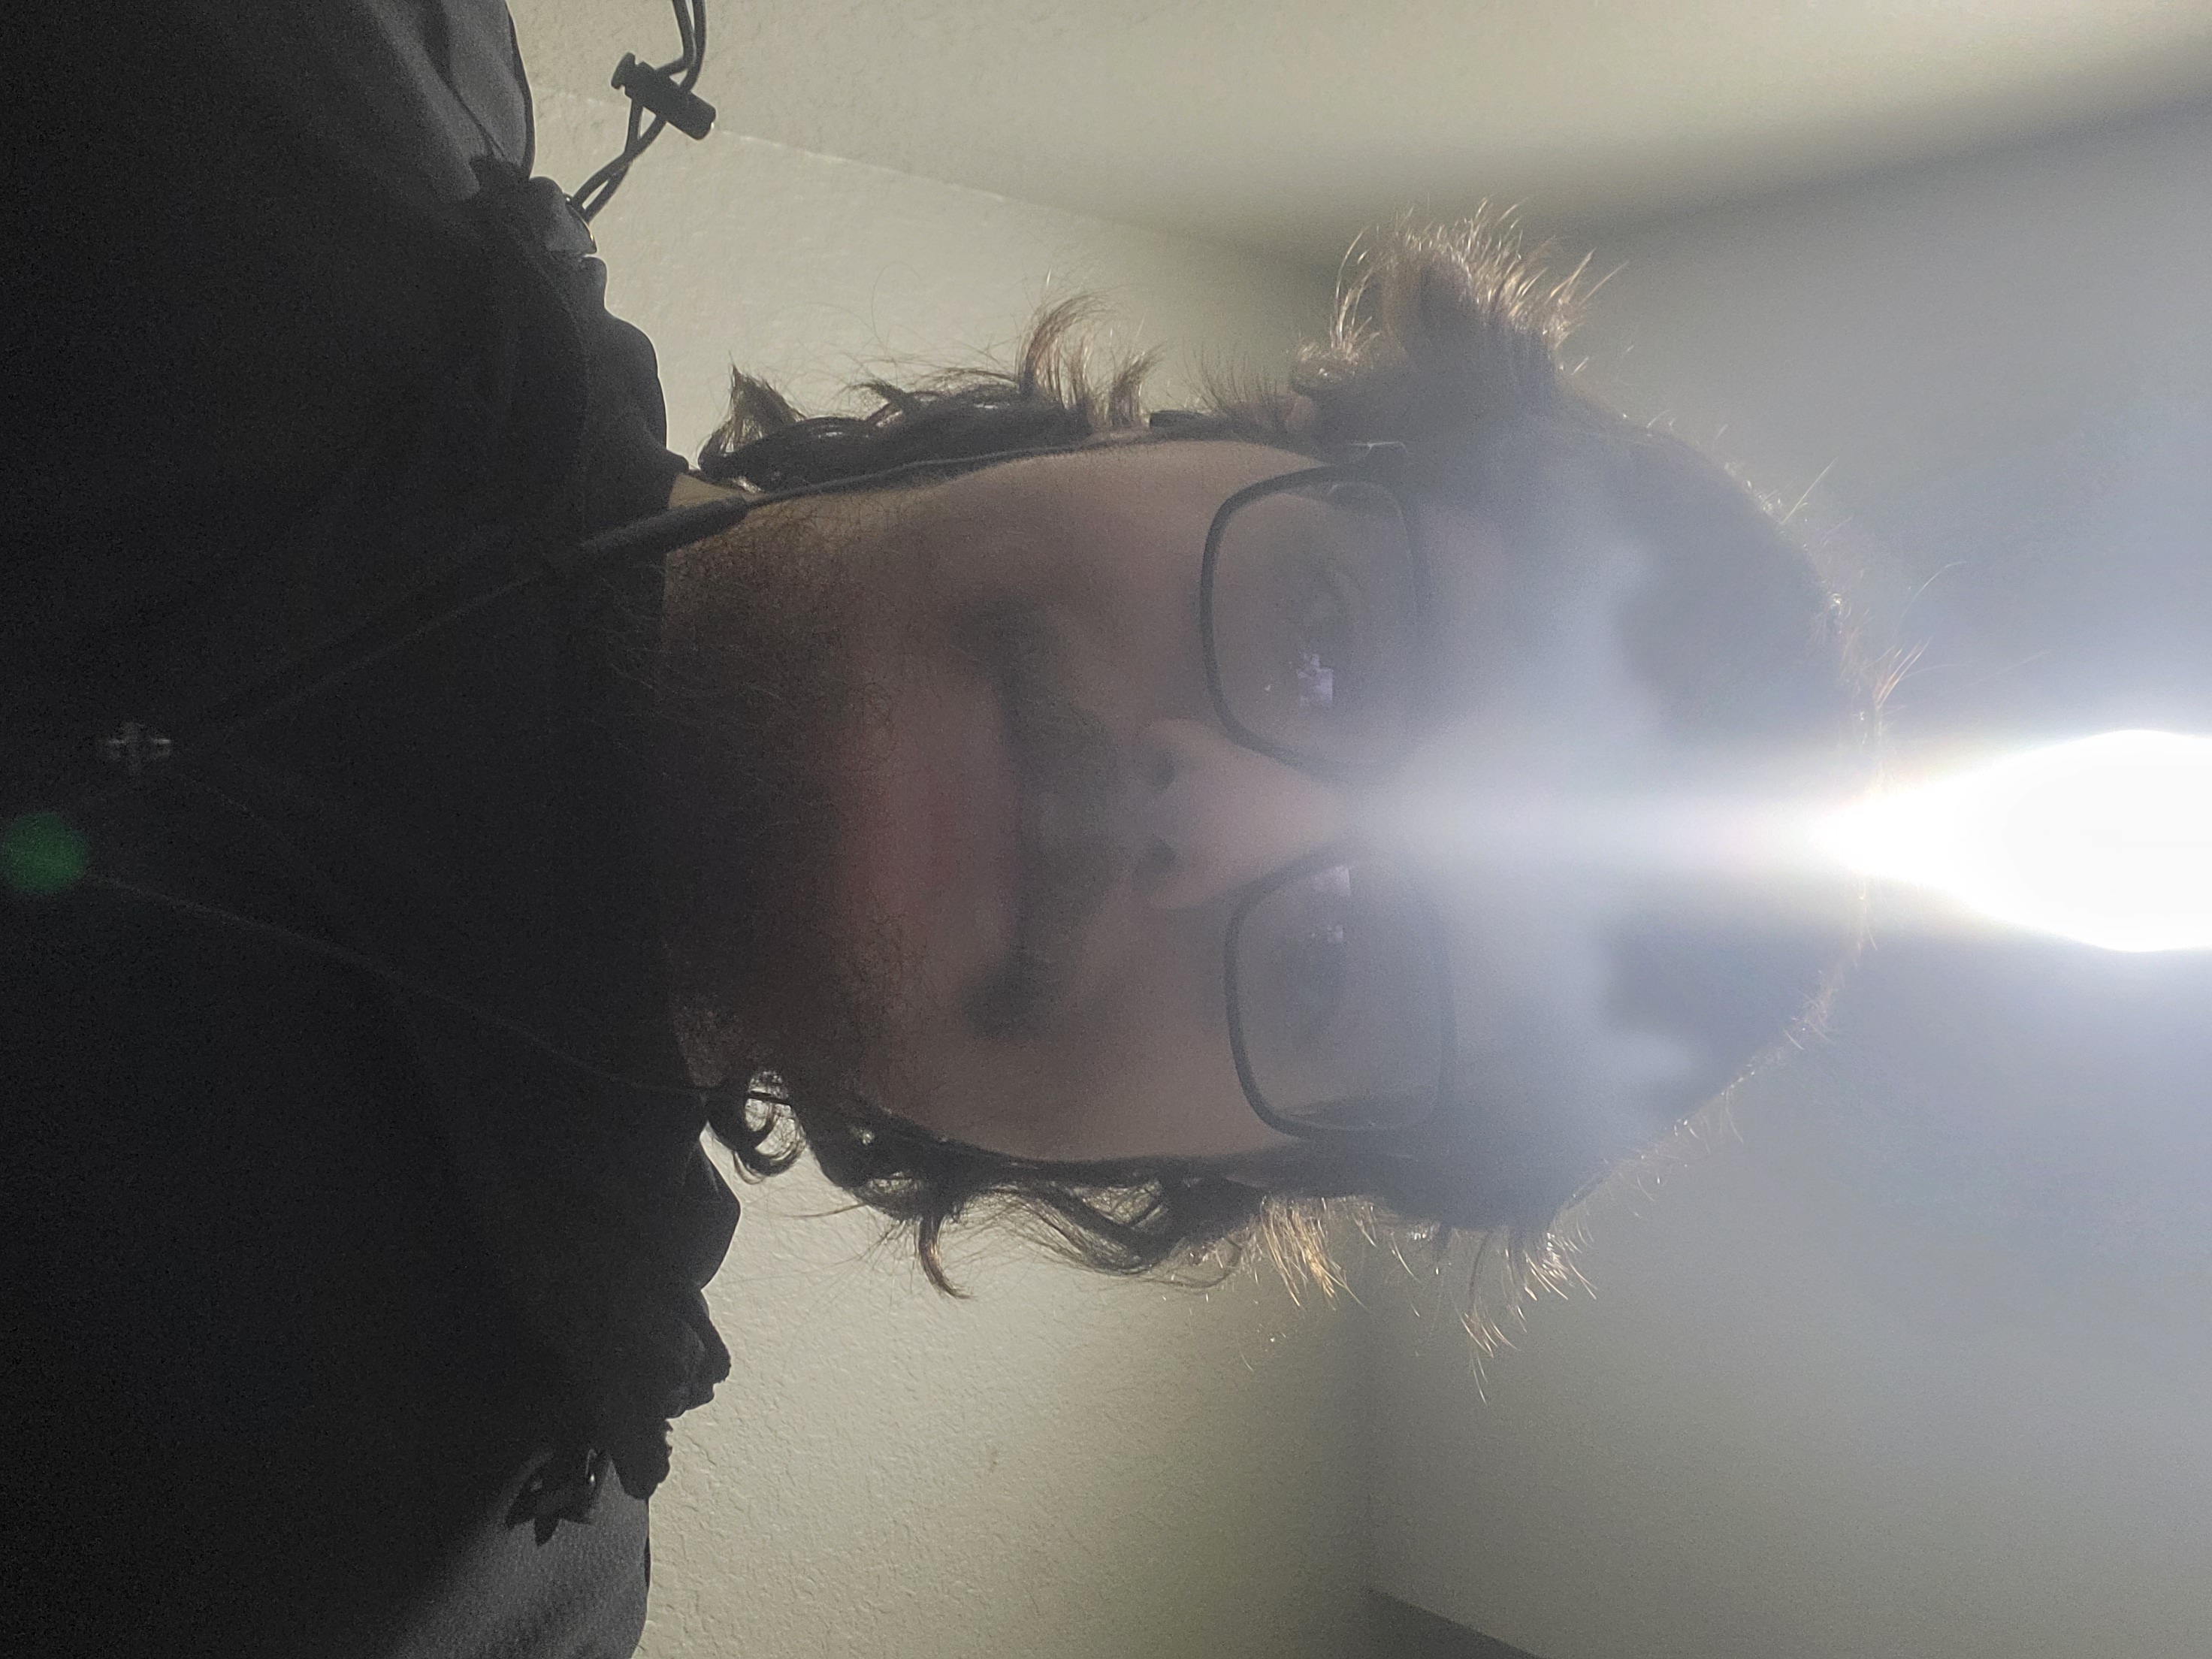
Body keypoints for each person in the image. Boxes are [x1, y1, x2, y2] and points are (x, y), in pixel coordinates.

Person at [2, 3, 1868, 1654]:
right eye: (1327, 641)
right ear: (1185, 446)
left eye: (1336, 962)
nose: (1203, 813)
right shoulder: (265, 46)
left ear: (1206, 1170)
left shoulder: (424, 1606)